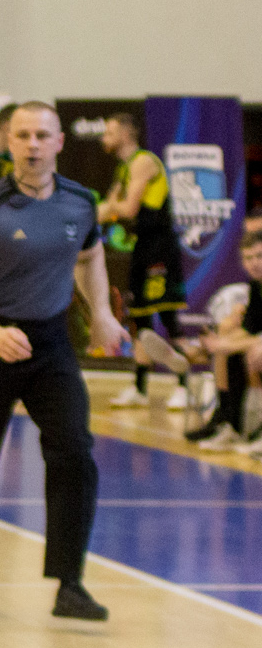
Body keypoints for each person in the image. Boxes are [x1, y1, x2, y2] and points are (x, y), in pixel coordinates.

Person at [0, 101, 131, 622]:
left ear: (59, 142)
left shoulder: (81, 202)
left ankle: (70, 584)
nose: (32, 145)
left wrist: (104, 316)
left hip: (50, 345)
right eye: (22, 136)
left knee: (74, 451)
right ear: (8, 143)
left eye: (42, 135)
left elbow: (89, 259)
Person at [98, 112, 190, 409]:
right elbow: (108, 209)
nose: (104, 138)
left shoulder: (143, 161)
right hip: (142, 248)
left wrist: (111, 206)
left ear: (126, 134)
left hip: (160, 249)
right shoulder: (123, 169)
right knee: (140, 319)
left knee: (168, 318)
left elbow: (127, 209)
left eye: (109, 132)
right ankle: (139, 389)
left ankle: (185, 386)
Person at [184, 232, 262, 452]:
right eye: (248, 258)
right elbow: (249, 330)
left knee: (255, 352)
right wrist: (221, 343)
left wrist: (223, 345)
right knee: (229, 339)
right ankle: (229, 423)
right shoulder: (256, 287)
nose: (254, 263)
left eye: (259, 256)